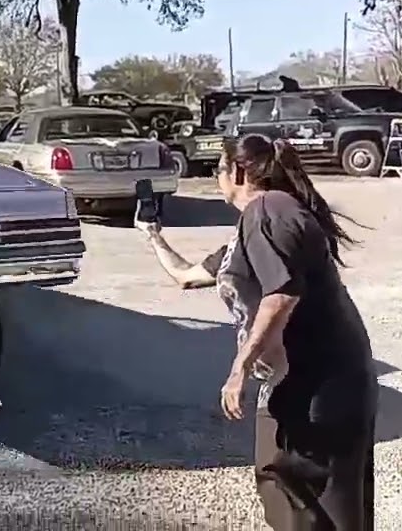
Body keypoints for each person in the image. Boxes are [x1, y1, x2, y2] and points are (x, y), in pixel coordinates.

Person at [136, 134, 377, 530]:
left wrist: (240, 368)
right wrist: (151, 235)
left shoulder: (268, 210)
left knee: (295, 492)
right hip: (315, 382)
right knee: (310, 499)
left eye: (218, 170)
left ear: (239, 171)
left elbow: (282, 293)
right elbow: (187, 276)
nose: (217, 179)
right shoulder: (258, 222)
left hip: (317, 383)